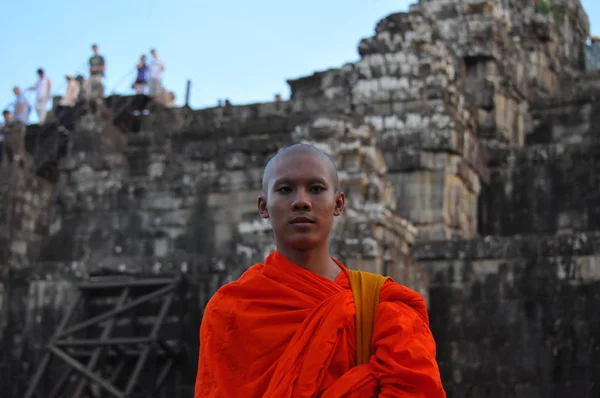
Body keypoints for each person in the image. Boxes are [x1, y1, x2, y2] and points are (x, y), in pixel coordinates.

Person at [195, 144, 446, 397]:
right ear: (263, 207)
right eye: (285, 190)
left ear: (338, 203)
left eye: (316, 189)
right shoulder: (230, 311)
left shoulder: (383, 307)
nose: (301, 201)